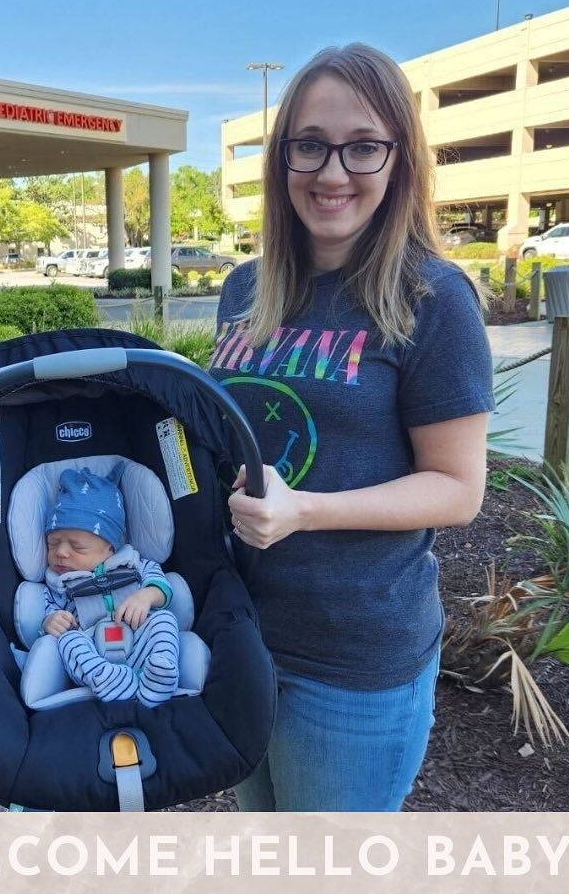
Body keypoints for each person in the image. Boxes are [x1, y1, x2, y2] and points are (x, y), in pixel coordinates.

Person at [210, 43, 494, 811]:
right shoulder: (245, 287)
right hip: (239, 632)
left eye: (362, 146)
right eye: (309, 145)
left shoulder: (432, 298)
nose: (332, 172)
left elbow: (459, 490)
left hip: (352, 658)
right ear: (283, 158)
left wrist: (309, 511)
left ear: (398, 157)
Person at [40, 466, 179, 707]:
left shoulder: (134, 565)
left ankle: (159, 672)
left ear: (110, 548)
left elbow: (162, 588)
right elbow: (48, 609)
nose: (61, 553)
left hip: (138, 635)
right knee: (67, 641)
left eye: (77, 546)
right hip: (92, 647)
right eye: (53, 543)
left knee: (164, 620)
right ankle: (108, 679)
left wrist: (146, 596)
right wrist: (50, 621)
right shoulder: (56, 584)